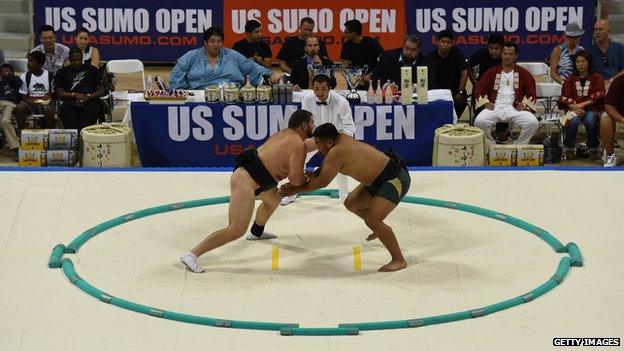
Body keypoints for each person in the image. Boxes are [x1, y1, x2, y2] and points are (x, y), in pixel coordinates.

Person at [180, 110, 315, 273]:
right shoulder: (298, 145)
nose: (314, 126)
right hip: (246, 182)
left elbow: (309, 145)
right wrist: (310, 179)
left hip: (256, 179)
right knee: (236, 229)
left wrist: (332, 141)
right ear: (304, 125)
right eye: (312, 123)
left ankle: (256, 231)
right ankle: (192, 254)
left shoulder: (284, 135)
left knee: (274, 198)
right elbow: (295, 180)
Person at [280, 123, 411, 272]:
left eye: (318, 144)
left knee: (372, 219)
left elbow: (322, 182)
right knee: (351, 203)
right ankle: (380, 227)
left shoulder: (338, 151)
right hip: (375, 180)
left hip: (394, 178)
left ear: (329, 142)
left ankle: (399, 259)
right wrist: (306, 180)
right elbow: (322, 172)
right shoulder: (339, 140)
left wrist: (295, 189)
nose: (317, 149)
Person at [280, 74, 354, 206]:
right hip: (316, 139)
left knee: (340, 162)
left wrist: (336, 142)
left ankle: (344, 196)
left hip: (335, 140)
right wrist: (312, 141)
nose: (319, 92)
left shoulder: (342, 102)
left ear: (330, 88)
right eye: (317, 89)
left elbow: (349, 128)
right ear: (312, 88)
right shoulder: (307, 100)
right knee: (298, 157)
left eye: (323, 89)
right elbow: (304, 126)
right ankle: (292, 193)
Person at [473, 42, 538, 146]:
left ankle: (519, 146)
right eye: (505, 53)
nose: (507, 57)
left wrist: (525, 104)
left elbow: (531, 92)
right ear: (501, 54)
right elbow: (480, 89)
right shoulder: (492, 72)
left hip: (515, 107)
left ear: (516, 55)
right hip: (495, 106)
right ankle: (492, 147)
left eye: (510, 54)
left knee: (532, 123)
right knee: (479, 122)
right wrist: (486, 102)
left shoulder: (524, 73)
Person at [169, 27, 275, 89]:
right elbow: (176, 77)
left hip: (232, 96)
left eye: (219, 41)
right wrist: (185, 93)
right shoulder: (191, 56)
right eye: (212, 41)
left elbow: (250, 66)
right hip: (198, 98)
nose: (216, 44)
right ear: (205, 42)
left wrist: (269, 73)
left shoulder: (232, 55)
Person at [557, 51, 605, 160]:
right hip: (574, 108)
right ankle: (569, 148)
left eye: (583, 61)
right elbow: (565, 97)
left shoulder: (597, 78)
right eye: (577, 62)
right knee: (573, 120)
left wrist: (581, 105)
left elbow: (598, 96)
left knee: (590, 120)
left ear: (589, 63)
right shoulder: (570, 79)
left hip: (592, 108)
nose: (580, 64)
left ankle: (593, 148)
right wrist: (574, 107)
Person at [55, 48, 105, 132]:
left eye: (79, 60)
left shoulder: (92, 70)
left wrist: (88, 96)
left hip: (89, 101)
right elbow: (59, 93)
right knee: (72, 128)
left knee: (85, 129)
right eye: (74, 60)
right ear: (69, 59)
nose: (77, 62)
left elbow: (101, 91)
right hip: (69, 101)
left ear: (82, 58)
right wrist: (74, 95)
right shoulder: (62, 72)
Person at [428, 30, 468, 117]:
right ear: (437, 42)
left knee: (460, 103)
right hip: (438, 92)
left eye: (448, 42)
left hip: (456, 92)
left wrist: (460, 92)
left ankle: (452, 124)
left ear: (452, 43)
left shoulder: (457, 53)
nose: (446, 45)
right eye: (443, 42)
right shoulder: (431, 57)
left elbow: (464, 72)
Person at [15, 51, 55, 129]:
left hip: (45, 103)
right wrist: (31, 102)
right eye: (28, 61)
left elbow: (53, 92)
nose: (28, 63)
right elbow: (22, 95)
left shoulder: (49, 75)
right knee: (20, 107)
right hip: (30, 103)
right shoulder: (25, 76)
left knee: (47, 108)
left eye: (31, 61)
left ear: (40, 64)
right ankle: (22, 133)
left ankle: (51, 133)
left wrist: (49, 95)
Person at [340, 19, 384, 90]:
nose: (344, 33)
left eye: (346, 32)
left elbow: (384, 59)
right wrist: (353, 79)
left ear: (354, 33)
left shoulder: (372, 43)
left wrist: (371, 75)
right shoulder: (346, 45)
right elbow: (345, 65)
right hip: (355, 79)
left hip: (371, 79)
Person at [588, 20, 624, 86]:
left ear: (608, 31)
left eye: (601, 29)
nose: (597, 32)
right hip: (597, 85)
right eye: (595, 30)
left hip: (617, 84)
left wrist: (611, 80)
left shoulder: (619, 48)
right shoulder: (589, 51)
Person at [600, 74, 624, 167]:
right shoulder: (618, 81)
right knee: (605, 119)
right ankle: (610, 155)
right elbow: (609, 107)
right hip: (620, 119)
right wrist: (622, 120)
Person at [0, 63, 22, 159]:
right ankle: (1, 140)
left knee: (5, 121)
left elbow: (19, 83)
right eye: (3, 71)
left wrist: (10, 76)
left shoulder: (16, 80)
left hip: (10, 104)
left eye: (8, 71)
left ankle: (16, 148)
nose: (5, 73)